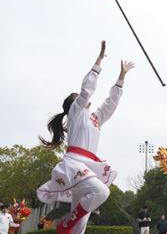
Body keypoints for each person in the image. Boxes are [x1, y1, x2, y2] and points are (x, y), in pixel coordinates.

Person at [36, 41, 135, 234]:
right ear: (74, 104)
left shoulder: (95, 118)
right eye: (79, 98)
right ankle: (65, 223)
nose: (86, 99)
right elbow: (86, 89)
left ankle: (69, 225)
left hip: (88, 167)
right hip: (75, 165)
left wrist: (121, 77)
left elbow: (111, 103)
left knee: (79, 227)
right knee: (101, 192)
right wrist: (98, 61)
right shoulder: (76, 112)